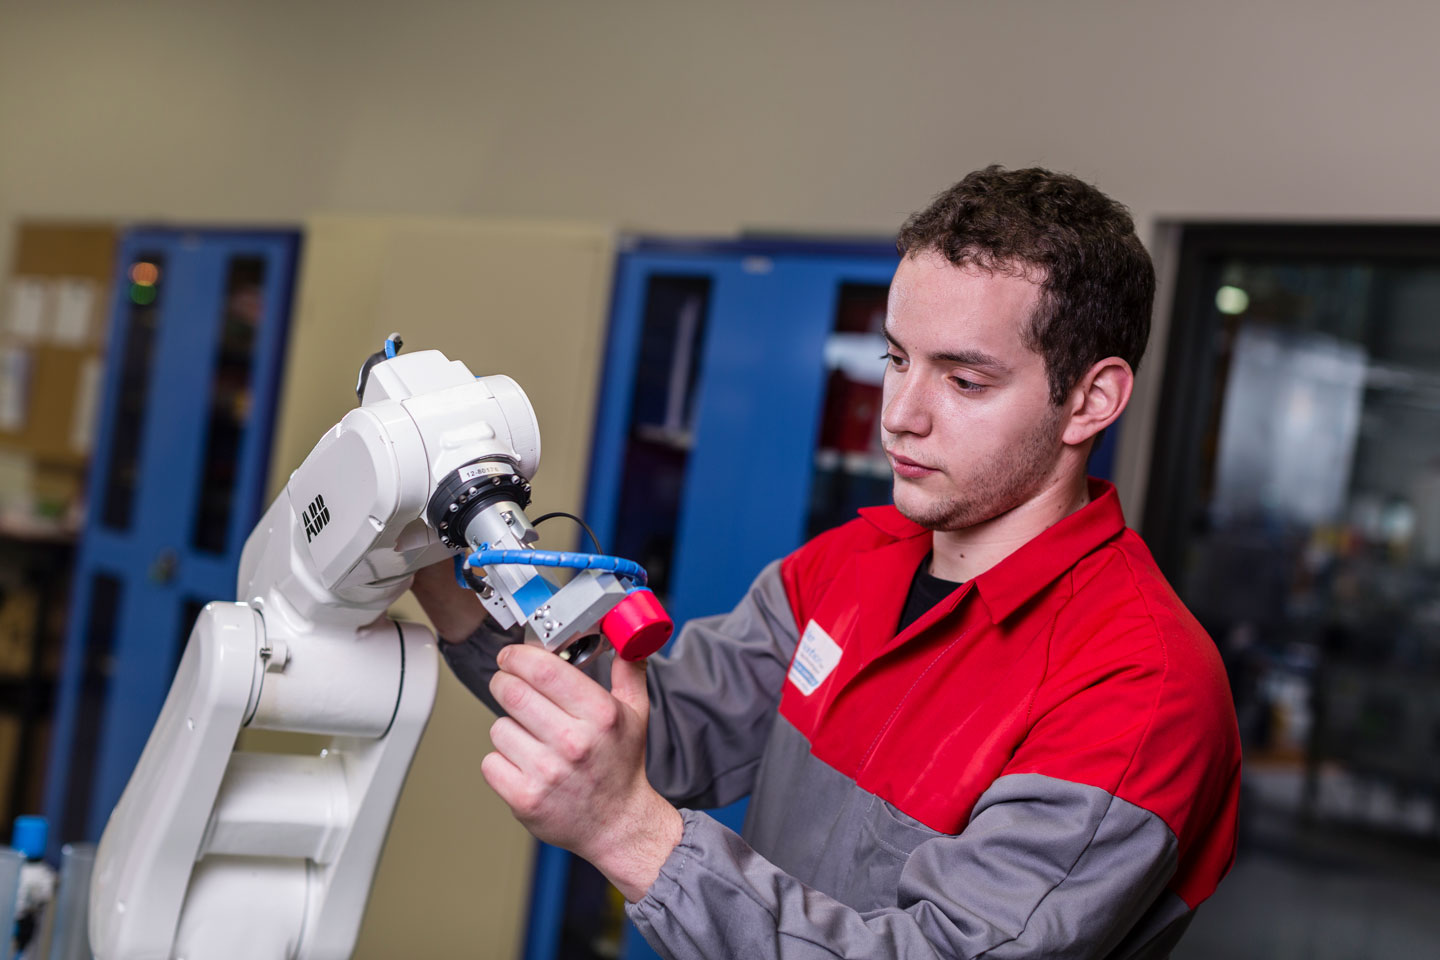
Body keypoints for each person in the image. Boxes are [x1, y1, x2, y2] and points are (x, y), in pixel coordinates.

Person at [412, 165, 1242, 959]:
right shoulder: (851, 563)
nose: (901, 417)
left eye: (965, 381)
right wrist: (444, 587)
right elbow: (652, 734)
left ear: (1091, 400)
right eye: (896, 358)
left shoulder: (1141, 686)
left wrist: (630, 835)